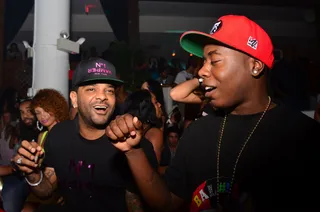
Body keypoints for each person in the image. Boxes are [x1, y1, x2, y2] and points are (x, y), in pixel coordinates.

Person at [106, 15, 320, 211]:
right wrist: (133, 152)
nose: (201, 71)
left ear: (254, 66)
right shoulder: (197, 133)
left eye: (214, 60)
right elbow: (168, 202)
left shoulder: (302, 137)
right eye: (203, 62)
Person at [12, 58, 135, 211]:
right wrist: (32, 174)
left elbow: (136, 204)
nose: (102, 96)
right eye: (91, 89)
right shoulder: (58, 135)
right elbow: (46, 191)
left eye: (109, 90)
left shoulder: (128, 141)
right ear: (74, 99)